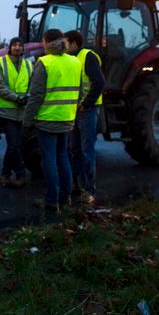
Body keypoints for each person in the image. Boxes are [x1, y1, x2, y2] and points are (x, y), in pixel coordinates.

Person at [23, 29, 82, 212]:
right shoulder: (75, 62)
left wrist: (27, 120)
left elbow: (36, 96)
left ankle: (51, 200)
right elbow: (80, 91)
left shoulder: (45, 63)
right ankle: (66, 198)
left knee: (49, 159)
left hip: (48, 119)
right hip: (67, 118)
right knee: (63, 156)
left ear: (46, 42)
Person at [64, 30, 105, 205]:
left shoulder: (87, 56)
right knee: (74, 150)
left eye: (65, 43)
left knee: (87, 151)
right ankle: (74, 184)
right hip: (75, 110)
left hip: (87, 110)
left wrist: (86, 103)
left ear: (74, 44)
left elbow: (99, 82)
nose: (63, 46)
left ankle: (89, 190)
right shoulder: (71, 59)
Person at [0, 37, 33, 188]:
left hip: (22, 111)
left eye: (20, 45)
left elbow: (33, 84)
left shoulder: (29, 65)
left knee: (14, 145)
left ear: (23, 48)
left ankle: (5, 174)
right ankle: (21, 174)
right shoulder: (0, 62)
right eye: (14, 45)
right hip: (6, 110)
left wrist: (27, 97)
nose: (17, 47)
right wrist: (16, 98)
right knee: (14, 144)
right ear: (9, 47)